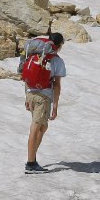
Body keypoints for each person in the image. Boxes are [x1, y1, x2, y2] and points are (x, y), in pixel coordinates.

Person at [25, 31, 66, 173]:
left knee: (42, 127)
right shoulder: (57, 61)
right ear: (59, 45)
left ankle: (33, 159)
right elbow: (57, 85)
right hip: (43, 97)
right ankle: (30, 164)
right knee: (36, 128)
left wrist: (26, 97)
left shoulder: (34, 55)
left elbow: (26, 76)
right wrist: (55, 106)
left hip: (31, 93)